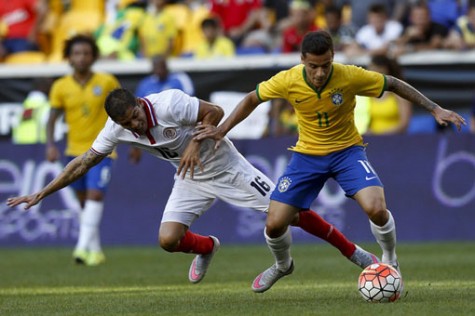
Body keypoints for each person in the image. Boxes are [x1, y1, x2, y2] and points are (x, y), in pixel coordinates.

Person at [7, 87, 380, 284]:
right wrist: (42, 192)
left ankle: (354, 253)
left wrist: (196, 143)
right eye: (126, 123)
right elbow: (83, 162)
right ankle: (207, 247)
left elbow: (214, 113)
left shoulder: (168, 103)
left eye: (135, 116)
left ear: (140, 103)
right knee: (168, 240)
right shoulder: (117, 128)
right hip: (190, 179)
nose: (135, 126)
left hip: (226, 165)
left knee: (292, 214)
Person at [193, 30, 466, 293]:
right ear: (302, 60)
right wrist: (222, 129)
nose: (320, 73)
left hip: (347, 152)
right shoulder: (288, 80)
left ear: (333, 57)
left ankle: (390, 259)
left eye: (326, 65)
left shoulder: (349, 75)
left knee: (376, 208)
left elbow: (392, 83)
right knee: (274, 224)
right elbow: (252, 98)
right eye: (313, 66)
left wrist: (434, 108)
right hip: (307, 157)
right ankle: (282, 265)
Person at [45, 34, 122, 266]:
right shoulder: (60, 86)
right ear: (69, 57)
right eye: (77, 53)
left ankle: (80, 248)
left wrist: (134, 141)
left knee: (95, 195)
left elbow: (123, 112)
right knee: (84, 204)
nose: (82, 57)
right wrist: (50, 144)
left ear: (94, 56)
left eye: (86, 53)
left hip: (103, 150)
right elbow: (51, 119)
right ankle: (95, 250)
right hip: (74, 152)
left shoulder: (107, 81)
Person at [356, 54, 412, 135]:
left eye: (377, 70)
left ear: (386, 70)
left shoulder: (399, 94)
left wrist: (380, 135)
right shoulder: (366, 95)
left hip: (394, 139)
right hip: (372, 140)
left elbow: (403, 124)